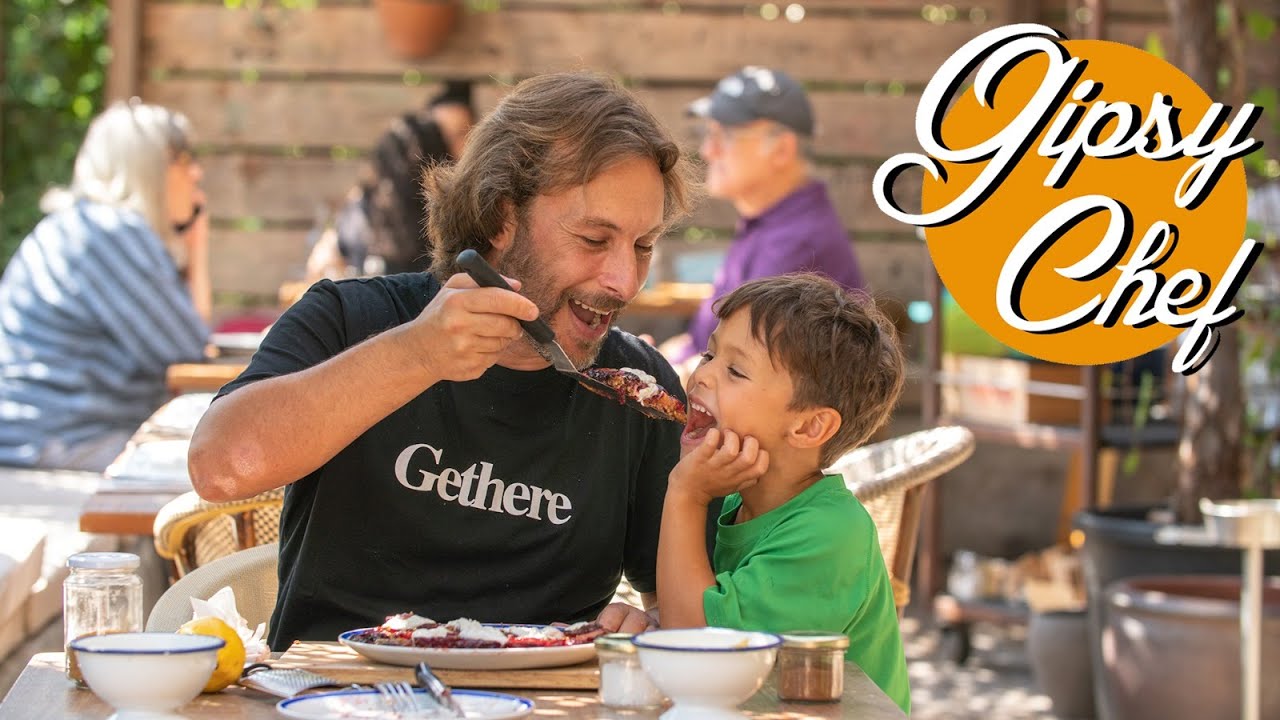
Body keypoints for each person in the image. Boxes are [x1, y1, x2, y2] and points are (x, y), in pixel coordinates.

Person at [187, 72, 704, 651]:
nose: (625, 280)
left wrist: (651, 625)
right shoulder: (351, 319)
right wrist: (417, 354)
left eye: (642, 246)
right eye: (593, 239)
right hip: (333, 696)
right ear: (503, 218)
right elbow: (217, 467)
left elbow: (689, 610)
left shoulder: (637, 391)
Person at [656, 272, 910, 713]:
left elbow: (698, 651)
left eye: (735, 370)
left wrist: (684, 494)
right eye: (709, 354)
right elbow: (695, 616)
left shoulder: (830, 532)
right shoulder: (737, 501)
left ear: (810, 426)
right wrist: (649, 623)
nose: (702, 376)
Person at [0, 100, 212, 472]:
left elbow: (189, 346)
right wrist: (198, 249)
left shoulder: (86, 227)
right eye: (183, 160)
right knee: (232, 469)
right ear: (150, 168)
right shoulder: (111, 235)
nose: (196, 173)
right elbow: (188, 353)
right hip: (52, 442)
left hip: (48, 435)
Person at [660, 67, 865, 379]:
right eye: (708, 134)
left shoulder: (797, 241)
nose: (707, 150)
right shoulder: (773, 223)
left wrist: (662, 369)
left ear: (782, 149)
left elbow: (737, 373)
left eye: (724, 136)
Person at [305, 81, 476, 279]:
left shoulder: (467, 216)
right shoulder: (360, 213)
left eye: (462, 133)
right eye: (442, 135)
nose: (457, 146)